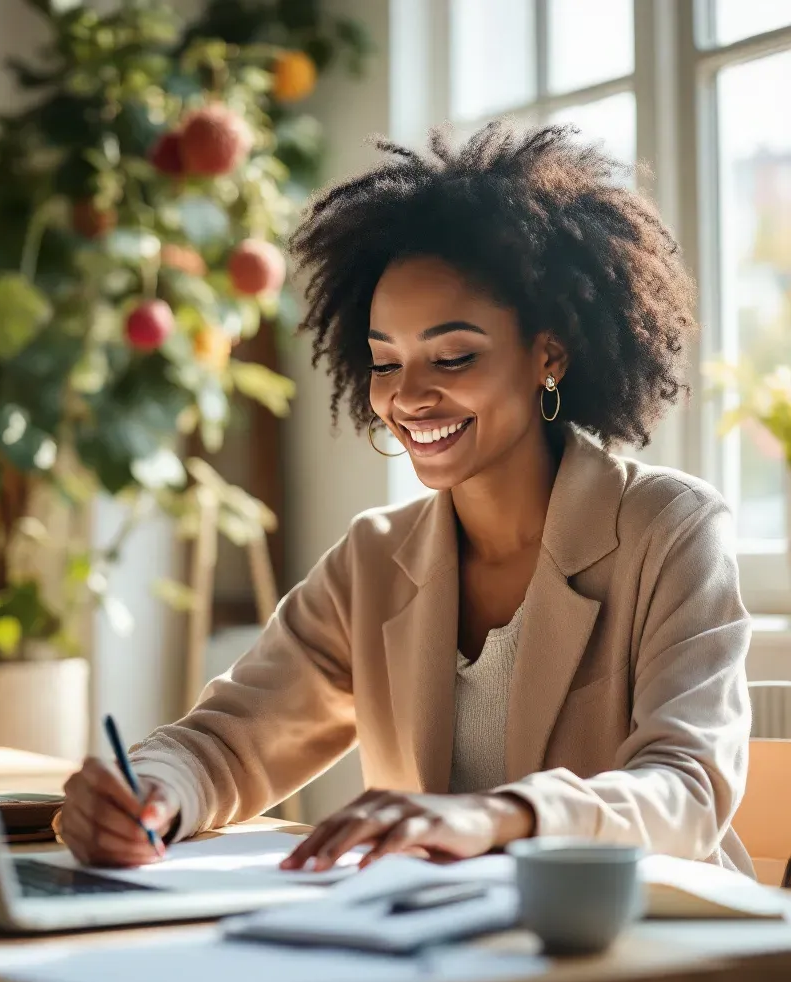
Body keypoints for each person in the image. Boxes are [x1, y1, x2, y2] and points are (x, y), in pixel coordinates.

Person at [56, 122, 753, 875]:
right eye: (386, 363)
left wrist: (497, 816)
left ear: (548, 353)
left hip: (644, 955)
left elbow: (687, 792)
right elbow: (233, 739)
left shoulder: (668, 530)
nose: (409, 397)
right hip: (445, 953)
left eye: (453, 356)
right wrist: (152, 795)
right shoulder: (376, 557)